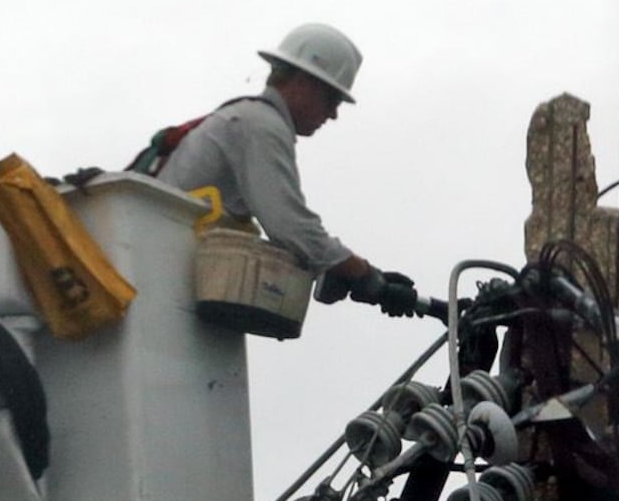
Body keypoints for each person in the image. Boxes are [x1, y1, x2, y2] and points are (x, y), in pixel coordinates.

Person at [155, 24, 421, 317]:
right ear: (304, 82)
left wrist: (335, 266)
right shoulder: (261, 125)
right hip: (164, 284)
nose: (333, 114)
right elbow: (291, 227)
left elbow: (291, 236)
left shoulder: (247, 119)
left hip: (167, 278)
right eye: (332, 99)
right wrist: (367, 276)